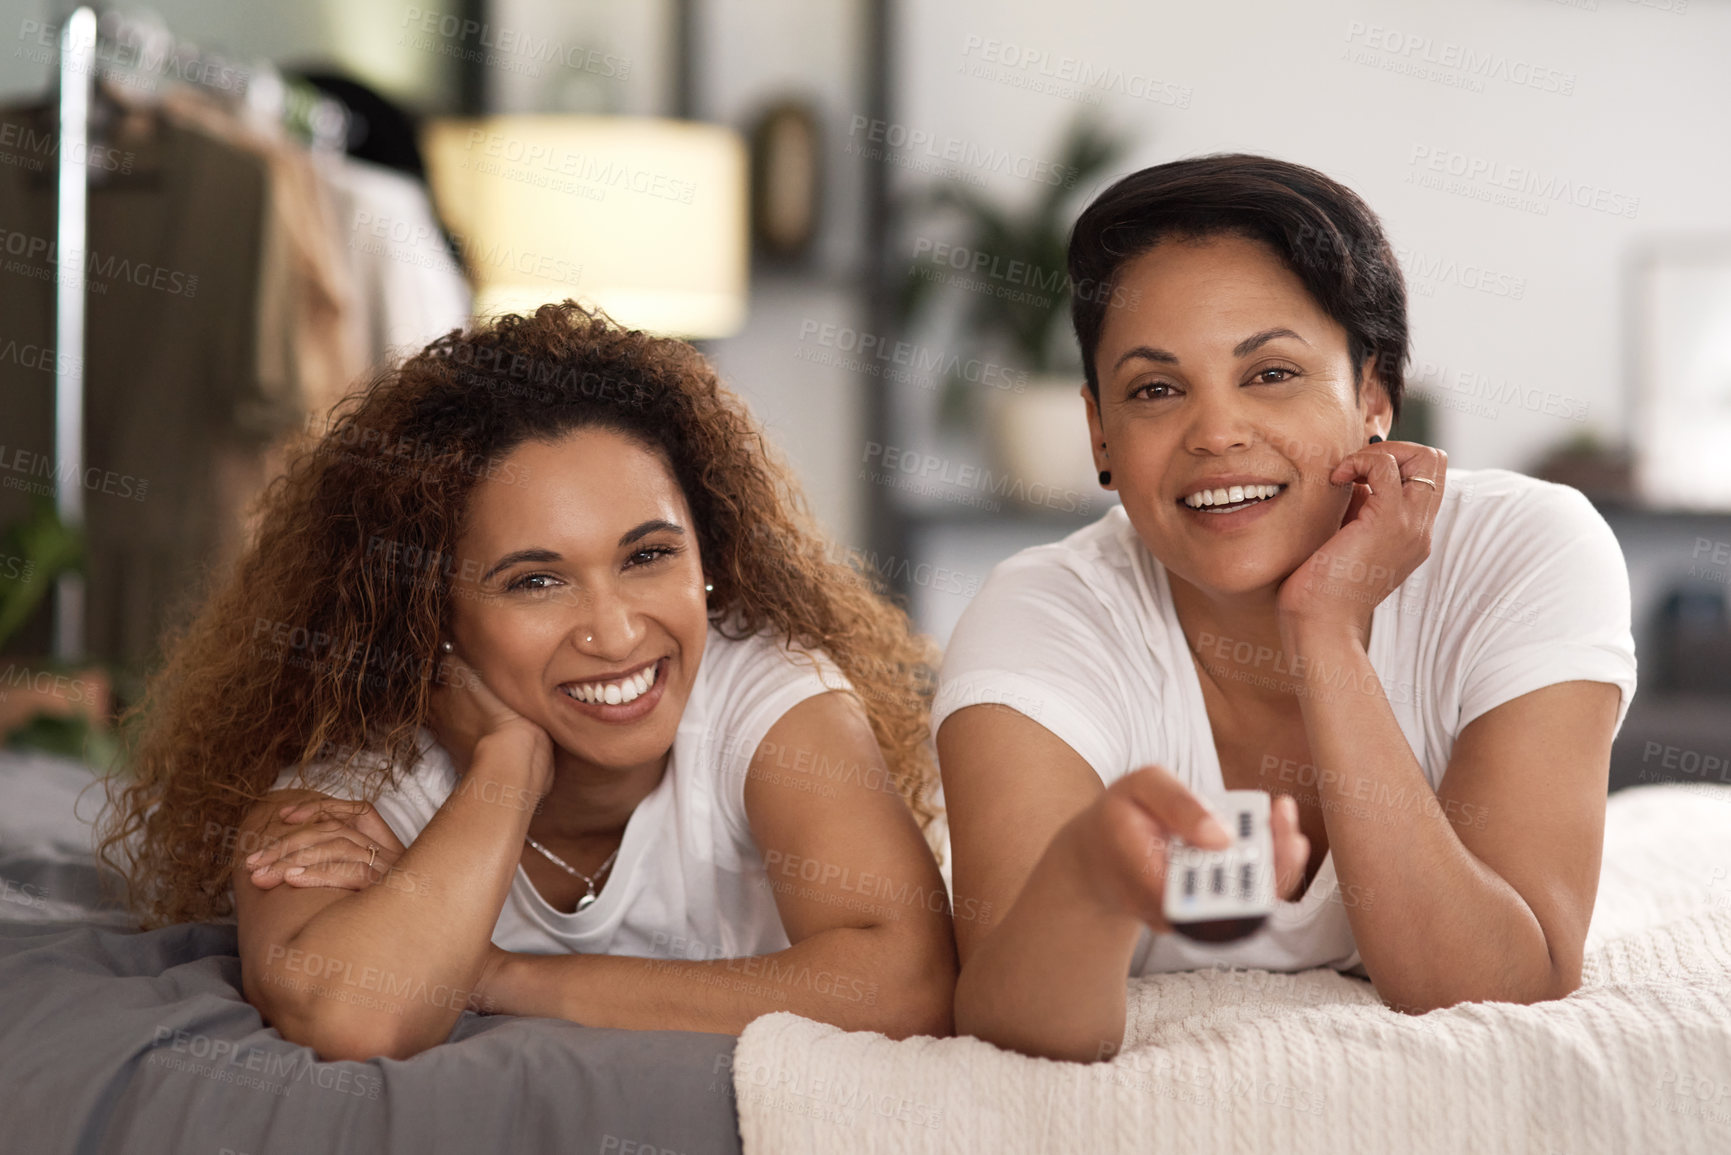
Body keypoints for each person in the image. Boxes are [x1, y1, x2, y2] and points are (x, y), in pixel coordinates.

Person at [99, 302, 956, 1060]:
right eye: (534, 580)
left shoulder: (762, 692)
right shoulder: (353, 773)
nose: (617, 632)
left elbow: (907, 987)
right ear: (424, 609)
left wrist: (502, 975)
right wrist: (506, 767)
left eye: (648, 555)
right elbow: (354, 1017)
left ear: (708, 555)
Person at [937, 155, 1637, 1062]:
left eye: (1270, 373)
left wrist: (1323, 630)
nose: (1216, 432)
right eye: (1155, 388)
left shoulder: (1526, 550)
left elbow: (1500, 984)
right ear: (1099, 431)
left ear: (1374, 393)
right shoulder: (1040, 615)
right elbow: (1005, 1024)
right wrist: (1089, 880)